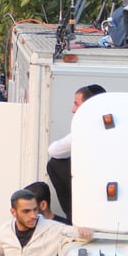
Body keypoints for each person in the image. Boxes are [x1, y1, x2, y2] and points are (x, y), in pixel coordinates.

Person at [46, 84, 106, 221]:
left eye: (76, 104)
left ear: (88, 107)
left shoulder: (88, 128)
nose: (73, 110)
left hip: (97, 193)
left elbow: (54, 150)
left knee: (54, 164)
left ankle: (74, 217)